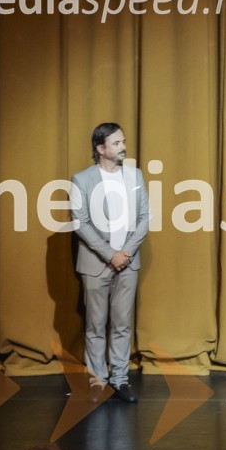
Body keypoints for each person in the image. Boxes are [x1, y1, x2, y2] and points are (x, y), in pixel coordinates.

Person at [71, 123, 150, 403]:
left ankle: (119, 379)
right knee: (95, 324)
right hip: (96, 263)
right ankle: (96, 381)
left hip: (128, 263)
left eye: (123, 142)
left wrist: (125, 253)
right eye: (116, 143)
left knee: (121, 323)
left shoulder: (135, 176)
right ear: (100, 149)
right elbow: (81, 222)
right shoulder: (82, 180)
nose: (123, 147)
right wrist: (109, 254)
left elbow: (144, 218)